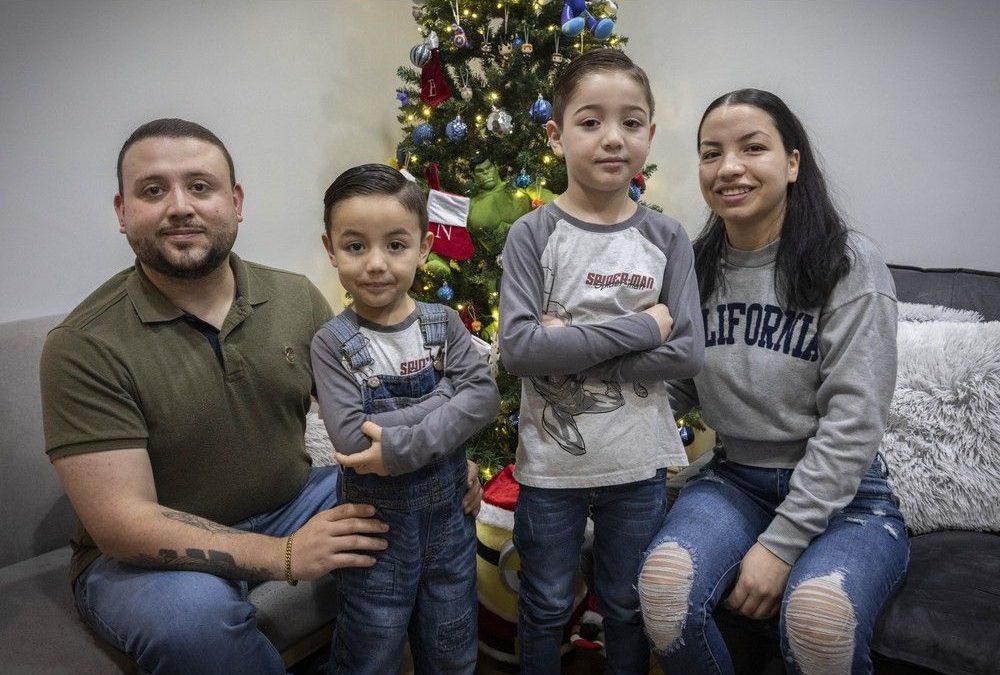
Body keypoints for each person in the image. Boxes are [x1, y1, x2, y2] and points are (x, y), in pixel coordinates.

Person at [38, 119, 482, 675]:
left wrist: (431, 457)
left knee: (438, 503)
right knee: (192, 623)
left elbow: (367, 415)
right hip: (145, 560)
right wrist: (286, 557)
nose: (180, 206)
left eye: (201, 186)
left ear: (236, 201)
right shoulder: (83, 345)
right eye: (153, 190)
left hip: (296, 500)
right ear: (123, 211)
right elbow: (122, 523)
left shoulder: (294, 297)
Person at [637, 89, 909, 674]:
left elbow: (854, 421)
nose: (728, 167)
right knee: (663, 591)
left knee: (818, 617)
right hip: (734, 480)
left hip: (850, 500)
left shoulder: (849, 263)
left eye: (751, 147)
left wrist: (781, 545)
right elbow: (680, 381)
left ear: (792, 162)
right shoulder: (693, 265)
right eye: (712, 153)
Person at [498, 49, 704, 674]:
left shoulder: (666, 238)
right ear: (556, 135)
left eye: (631, 122)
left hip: (639, 465)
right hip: (549, 469)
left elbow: (688, 350)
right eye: (590, 121)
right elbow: (520, 350)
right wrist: (642, 327)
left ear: (649, 134)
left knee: (625, 604)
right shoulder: (532, 235)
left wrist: (572, 350)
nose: (613, 138)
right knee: (544, 602)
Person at [311, 163, 500, 675]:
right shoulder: (332, 344)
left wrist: (400, 441)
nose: (376, 264)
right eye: (355, 246)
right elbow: (352, 443)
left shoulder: (444, 324)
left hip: (450, 527)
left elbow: (484, 400)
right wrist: (446, 397)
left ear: (424, 248)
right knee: (369, 653)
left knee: (452, 647)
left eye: (396, 245)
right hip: (375, 536)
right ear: (331, 249)